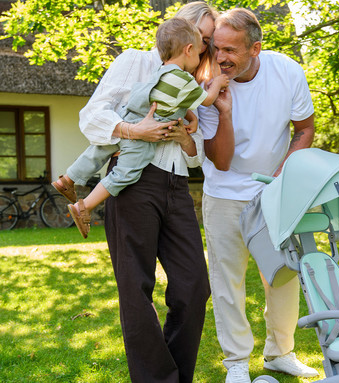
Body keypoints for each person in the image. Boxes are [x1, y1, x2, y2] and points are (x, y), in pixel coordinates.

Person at [69, 2, 219, 382]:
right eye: (199, 37)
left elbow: (196, 155)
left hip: (176, 185)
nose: (201, 48)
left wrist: (186, 138)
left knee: (194, 285)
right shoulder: (135, 61)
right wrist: (135, 131)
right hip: (133, 184)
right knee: (136, 289)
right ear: (179, 28)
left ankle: (173, 374)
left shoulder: (189, 82)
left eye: (206, 41)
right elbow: (92, 115)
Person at [197, 8, 319, 383]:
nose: (221, 58)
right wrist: (224, 110)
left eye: (231, 50)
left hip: (274, 193)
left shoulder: (287, 72)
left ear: (256, 49)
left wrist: (285, 174)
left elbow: (305, 128)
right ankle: (236, 362)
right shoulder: (207, 86)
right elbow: (220, 161)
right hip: (223, 194)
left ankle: (280, 353)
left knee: (282, 277)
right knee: (227, 281)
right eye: (217, 48)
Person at [54, 17, 228, 239]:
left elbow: (168, 101)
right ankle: (84, 206)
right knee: (124, 173)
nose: (204, 52)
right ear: (189, 48)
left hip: (129, 116)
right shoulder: (183, 79)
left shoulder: (162, 71)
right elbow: (207, 99)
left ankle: (67, 179)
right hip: (143, 140)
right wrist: (217, 84)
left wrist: (188, 116)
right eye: (202, 43)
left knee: (100, 149)